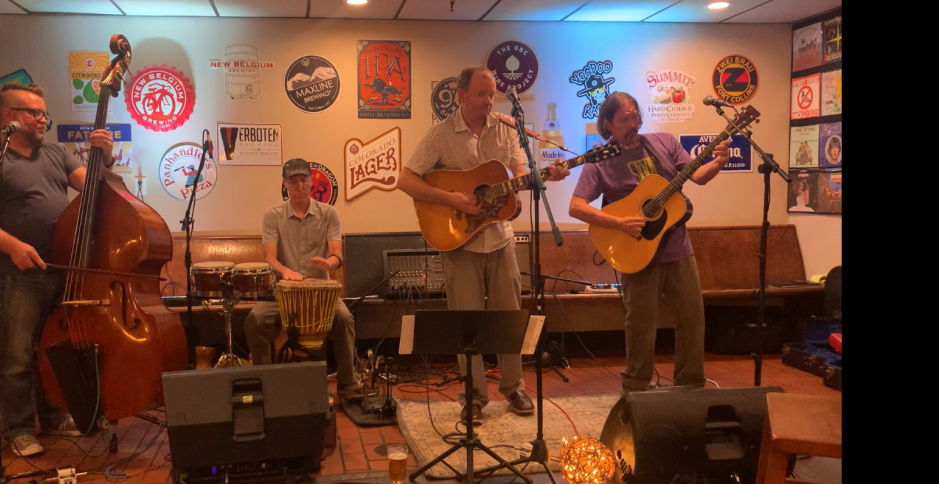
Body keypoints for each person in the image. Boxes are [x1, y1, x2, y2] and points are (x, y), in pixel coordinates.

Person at [396, 66, 571, 424]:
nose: (488, 101)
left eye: (492, 95)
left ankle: (514, 388)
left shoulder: (505, 129)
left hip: (500, 238)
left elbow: (519, 171)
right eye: (481, 94)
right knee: (467, 323)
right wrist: (452, 199)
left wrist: (540, 178)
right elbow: (405, 179)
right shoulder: (440, 135)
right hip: (459, 243)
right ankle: (473, 397)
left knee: (509, 317)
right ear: (461, 95)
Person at [0, 83, 115, 457]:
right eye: (35, 112)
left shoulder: (56, 153)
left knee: (53, 349)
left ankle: (55, 415)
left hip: (64, 267)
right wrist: (14, 247)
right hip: (17, 274)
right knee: (17, 355)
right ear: (8, 117)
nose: (43, 119)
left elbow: (94, 189)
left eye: (44, 113)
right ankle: (19, 429)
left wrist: (105, 158)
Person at [567, 91, 730, 394]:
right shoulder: (601, 159)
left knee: (692, 318)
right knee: (641, 324)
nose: (632, 124)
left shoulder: (664, 142)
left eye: (635, 116)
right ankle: (636, 389)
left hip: (678, 249)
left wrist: (719, 161)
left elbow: (698, 176)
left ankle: (691, 386)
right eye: (624, 119)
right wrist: (618, 223)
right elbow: (576, 207)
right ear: (608, 124)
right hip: (637, 251)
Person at [244, 158, 361, 397]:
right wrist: (285, 271)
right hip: (283, 292)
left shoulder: (329, 213)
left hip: (321, 294)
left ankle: (347, 383)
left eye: (303, 180)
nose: (299, 186)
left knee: (344, 318)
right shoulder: (272, 215)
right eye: (293, 181)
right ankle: (265, 382)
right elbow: (269, 258)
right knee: (255, 320)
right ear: (285, 184)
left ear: (311, 181)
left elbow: (337, 254)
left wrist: (329, 262)